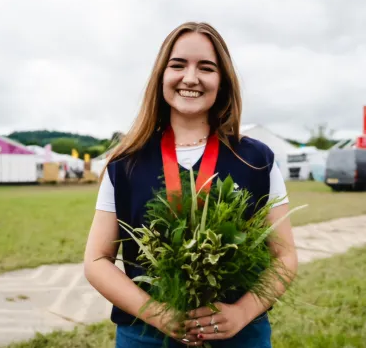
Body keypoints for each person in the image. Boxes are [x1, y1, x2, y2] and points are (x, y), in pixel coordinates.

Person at [83, 22, 297, 347]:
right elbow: (97, 260)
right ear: (161, 75)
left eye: (206, 68)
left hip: (240, 336)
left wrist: (240, 313)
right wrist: (157, 313)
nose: (191, 78)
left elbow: (285, 255)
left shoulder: (256, 159)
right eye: (178, 65)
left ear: (222, 80)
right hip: (145, 336)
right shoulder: (125, 163)